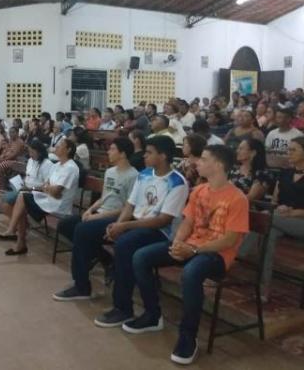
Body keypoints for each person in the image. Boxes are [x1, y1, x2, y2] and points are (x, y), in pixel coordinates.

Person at [129, 145, 248, 365]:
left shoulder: (237, 198)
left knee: (192, 273)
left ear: (219, 165)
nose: (196, 163)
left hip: (217, 255)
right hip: (191, 246)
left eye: (203, 159)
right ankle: (152, 315)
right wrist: (177, 242)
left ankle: (188, 338)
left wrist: (192, 250)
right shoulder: (200, 190)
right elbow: (188, 221)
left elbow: (230, 240)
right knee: (141, 257)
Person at [52, 136, 188, 318]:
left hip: (158, 232)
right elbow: (130, 205)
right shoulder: (145, 174)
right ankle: (82, 286)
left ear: (163, 156)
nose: (144, 156)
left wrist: (123, 226)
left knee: (124, 244)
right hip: (134, 223)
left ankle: (123, 308)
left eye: (149, 152)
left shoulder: (177, 182)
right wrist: (117, 224)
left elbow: (162, 220)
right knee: (83, 230)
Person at [55, 137, 138, 248]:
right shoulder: (110, 172)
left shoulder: (133, 176)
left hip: (114, 217)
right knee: (64, 225)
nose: (108, 152)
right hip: (100, 212)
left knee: (81, 229)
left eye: (112, 149)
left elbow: (128, 208)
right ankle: (99, 255)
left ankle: (85, 259)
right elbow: (104, 197)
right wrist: (90, 210)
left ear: (122, 154)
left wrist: (97, 216)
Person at [4, 138, 79, 256]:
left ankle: (15, 234)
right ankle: (17, 238)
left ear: (68, 150)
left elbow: (55, 192)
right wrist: (48, 188)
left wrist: (48, 188)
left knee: (22, 199)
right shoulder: (58, 165)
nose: (56, 147)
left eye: (60, 146)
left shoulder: (71, 168)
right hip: (48, 199)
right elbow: (47, 185)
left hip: (58, 205)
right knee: (22, 198)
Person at [254, 136, 304, 296]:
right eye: (288, 149)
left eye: (293, 149)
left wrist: (292, 212)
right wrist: (277, 209)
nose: (288, 152)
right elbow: (275, 200)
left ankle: (237, 254)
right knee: (270, 233)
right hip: (280, 219)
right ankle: (264, 287)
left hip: (300, 221)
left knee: (263, 219)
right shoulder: (285, 173)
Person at [0, 139, 54, 241]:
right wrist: (21, 183)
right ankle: (22, 225)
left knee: (8, 201)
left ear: (39, 151)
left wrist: (30, 188)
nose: (30, 155)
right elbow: (28, 176)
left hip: (36, 193)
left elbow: (47, 185)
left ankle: (15, 229)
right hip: (25, 189)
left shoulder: (47, 164)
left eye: (32, 152)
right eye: (29, 152)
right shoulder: (31, 161)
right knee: (2, 200)